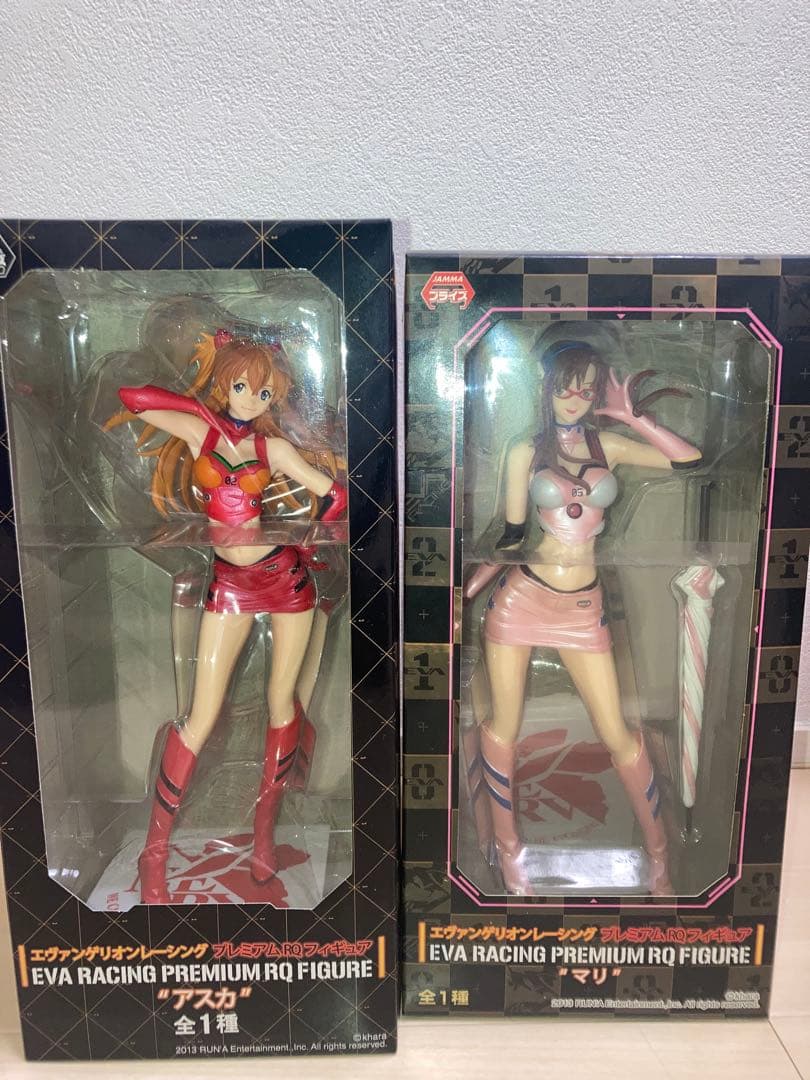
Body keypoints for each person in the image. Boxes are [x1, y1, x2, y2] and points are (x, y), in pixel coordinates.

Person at [107, 328, 347, 903]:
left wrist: (312, 543)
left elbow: (335, 495)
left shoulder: (273, 451)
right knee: (200, 715)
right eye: (241, 387)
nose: (250, 400)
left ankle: (264, 834)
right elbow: (131, 398)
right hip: (230, 584)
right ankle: (154, 851)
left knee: (281, 703)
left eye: (263, 393)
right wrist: (199, 406)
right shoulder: (201, 432)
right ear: (224, 384)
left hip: (284, 580)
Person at [464, 338, 701, 895]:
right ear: (546, 389)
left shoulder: (609, 445)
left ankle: (659, 855)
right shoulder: (525, 451)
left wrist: (635, 417)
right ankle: (509, 851)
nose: (575, 399)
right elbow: (512, 538)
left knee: (617, 732)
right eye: (565, 388)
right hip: (522, 598)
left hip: (582, 605)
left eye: (587, 391)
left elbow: (686, 460)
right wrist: (464, 593)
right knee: (503, 727)